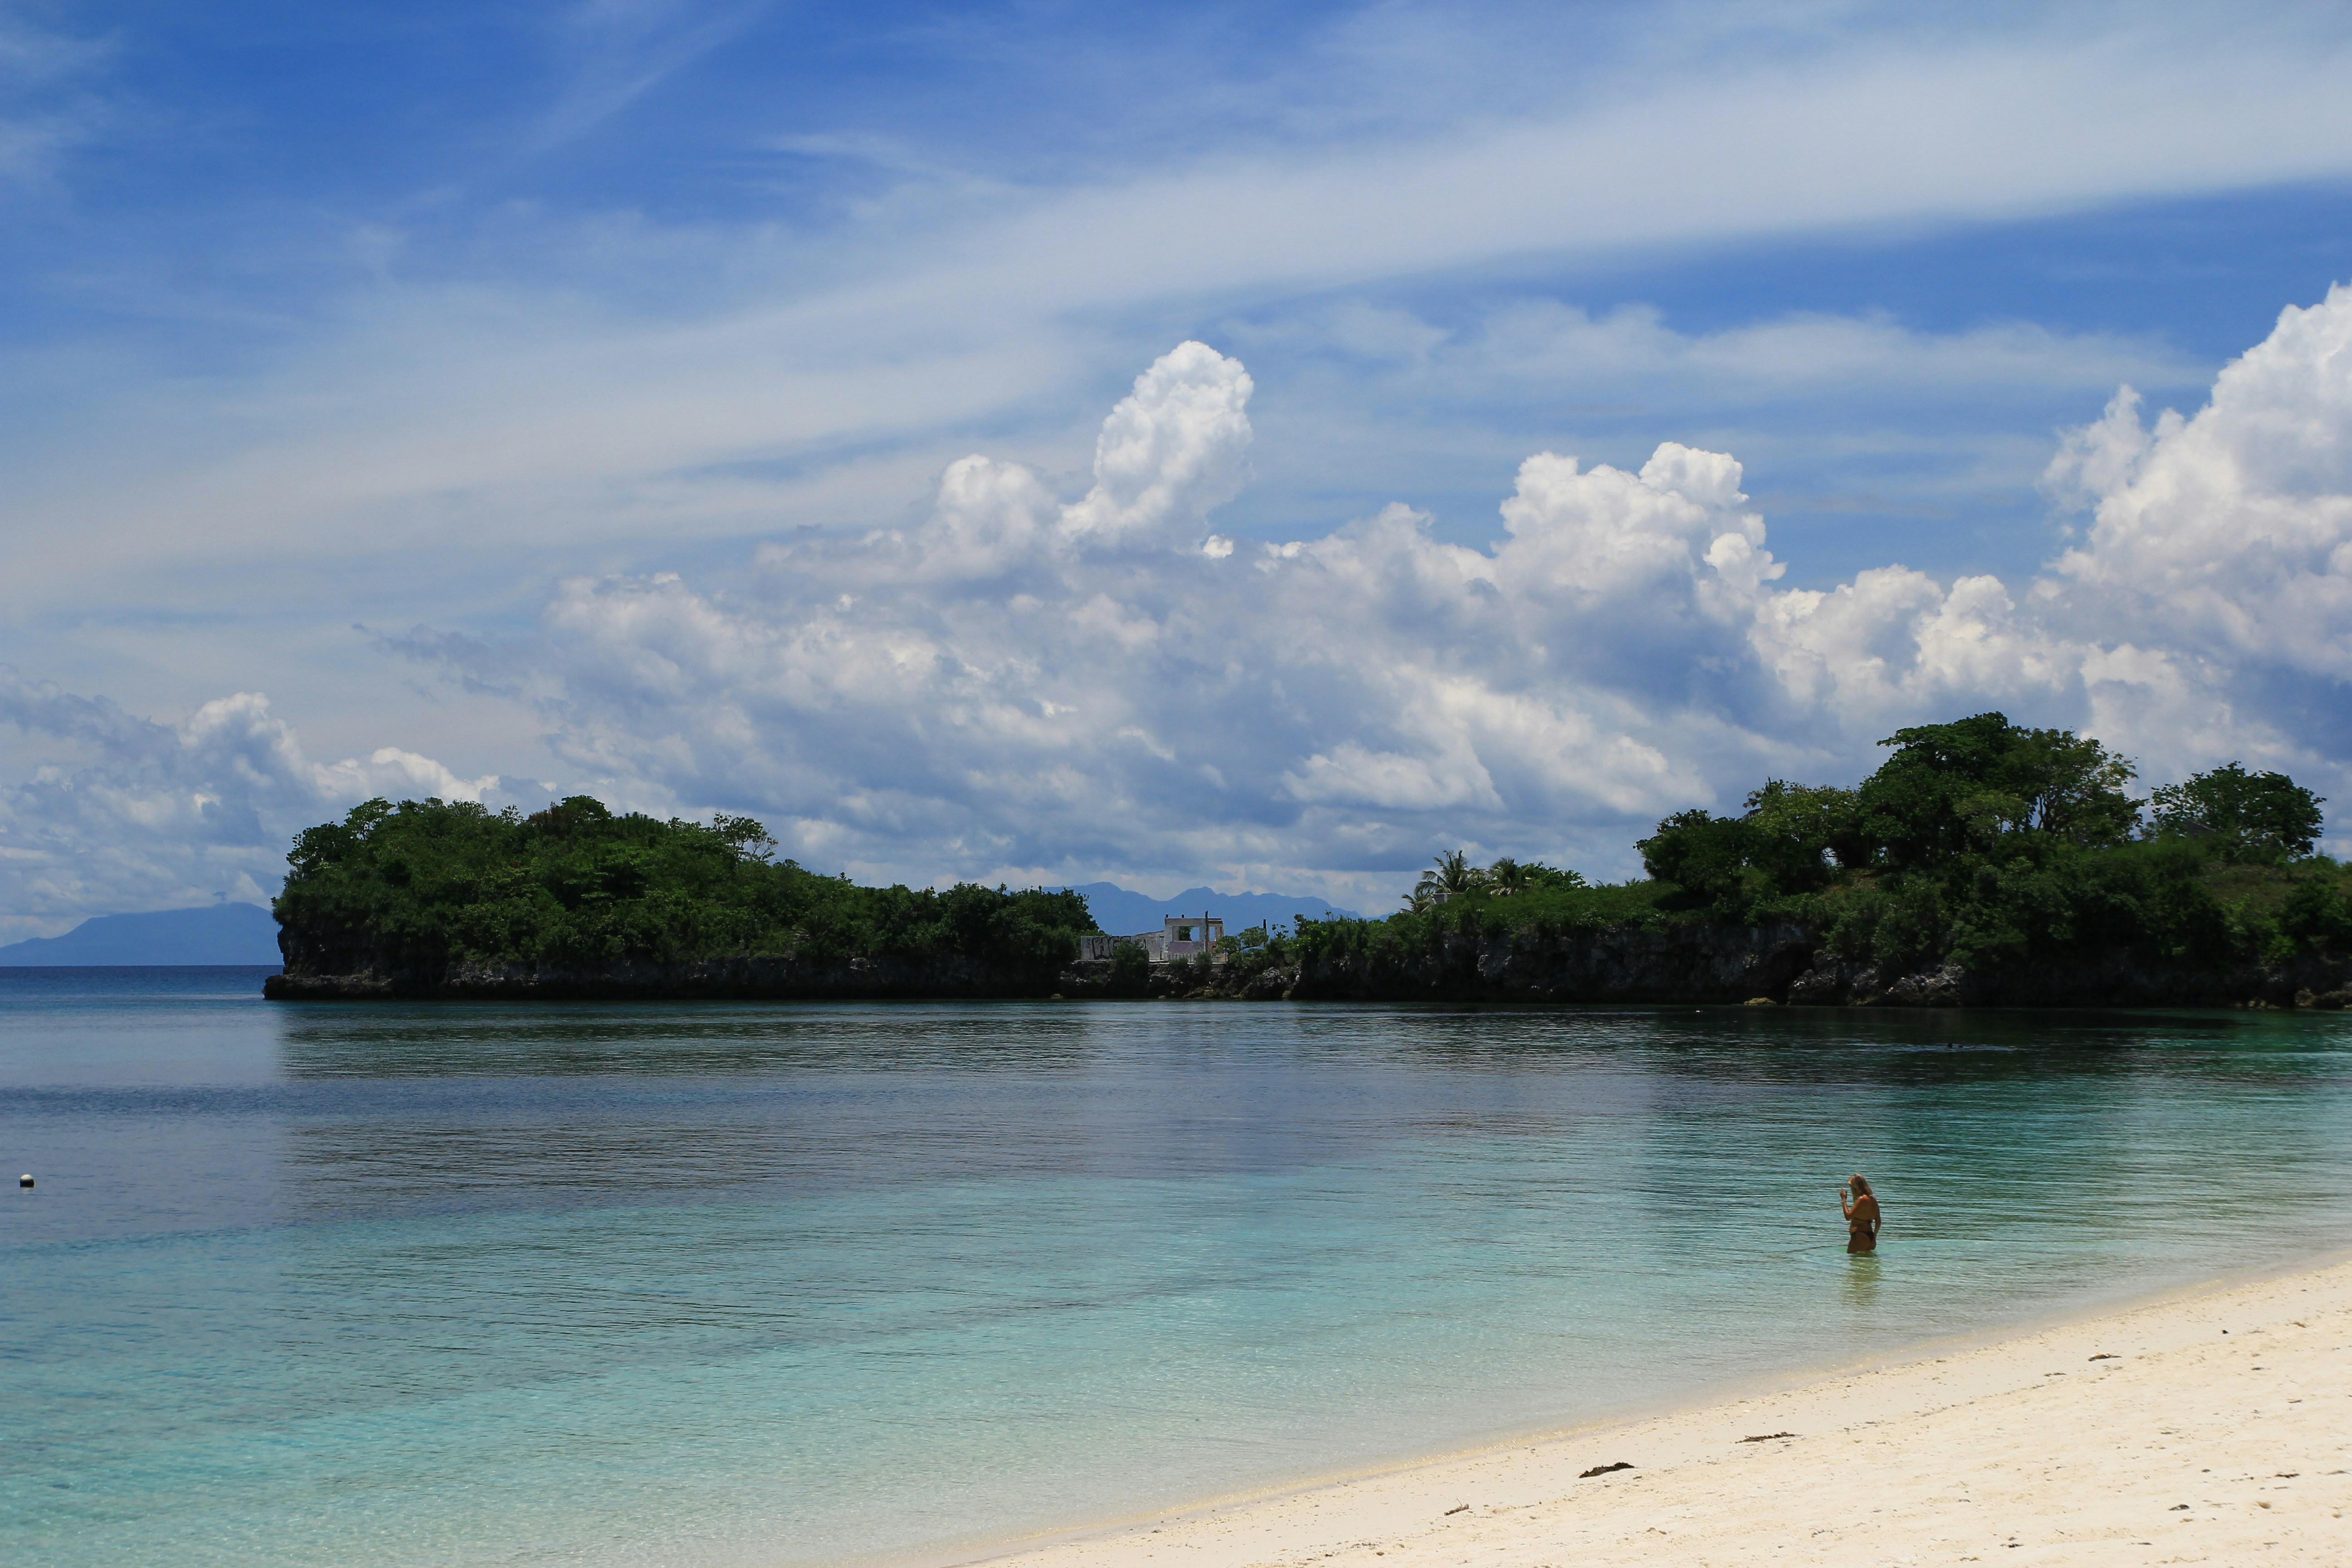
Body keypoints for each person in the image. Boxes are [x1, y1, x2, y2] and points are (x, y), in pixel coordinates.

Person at [1840, 1174, 1880, 1254]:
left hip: (1860, 1237)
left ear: (1856, 1187)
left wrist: (1844, 1200)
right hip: (1871, 1238)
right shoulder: (1873, 1200)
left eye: (1851, 1187)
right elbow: (1878, 1222)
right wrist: (1874, 1236)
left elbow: (1848, 1217)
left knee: (1854, 1264)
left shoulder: (1862, 1200)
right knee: (1866, 1265)